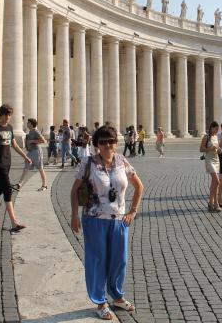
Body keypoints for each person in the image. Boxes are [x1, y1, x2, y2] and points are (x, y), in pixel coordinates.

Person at [70, 125, 144, 320]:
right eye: (103, 142)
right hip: (94, 219)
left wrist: (133, 211)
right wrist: (74, 215)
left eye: (111, 141)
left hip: (119, 220)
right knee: (97, 261)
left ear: (116, 143)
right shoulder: (88, 163)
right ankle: (100, 301)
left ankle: (117, 296)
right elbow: (74, 190)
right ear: (96, 144)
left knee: (120, 260)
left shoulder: (123, 162)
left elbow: (139, 186)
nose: (107, 145)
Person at [0, 104, 31, 231]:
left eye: (9, 115)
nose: (8, 117)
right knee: (8, 190)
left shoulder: (9, 127)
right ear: (0, 114)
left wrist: (25, 156)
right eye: (6, 115)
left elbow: (14, 145)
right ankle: (14, 222)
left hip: (8, 162)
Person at [16, 118, 48, 191]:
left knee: (40, 168)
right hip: (30, 152)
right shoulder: (30, 131)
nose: (27, 124)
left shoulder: (36, 131)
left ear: (32, 124)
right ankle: (19, 184)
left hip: (37, 152)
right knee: (26, 167)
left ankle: (44, 185)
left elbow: (43, 140)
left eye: (28, 123)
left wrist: (32, 141)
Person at [200, 121, 221, 212]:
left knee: (214, 183)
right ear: (211, 128)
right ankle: (215, 203)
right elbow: (201, 149)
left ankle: (210, 203)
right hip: (209, 160)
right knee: (217, 181)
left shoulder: (216, 137)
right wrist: (210, 148)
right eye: (215, 128)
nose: (217, 130)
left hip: (216, 160)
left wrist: (219, 150)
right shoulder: (206, 137)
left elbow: (217, 148)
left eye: (217, 129)